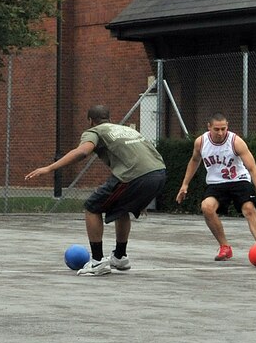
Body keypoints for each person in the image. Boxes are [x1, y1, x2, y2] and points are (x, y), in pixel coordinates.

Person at [24, 105, 168, 277]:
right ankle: (120, 257)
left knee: (92, 207)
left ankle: (98, 261)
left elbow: (83, 152)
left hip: (135, 175)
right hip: (159, 173)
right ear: (109, 118)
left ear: (90, 120)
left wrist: (50, 168)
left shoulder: (95, 131)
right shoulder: (126, 130)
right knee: (121, 208)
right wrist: (140, 192)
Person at [174, 114, 256, 261]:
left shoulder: (236, 142)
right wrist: (185, 184)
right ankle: (225, 247)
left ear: (227, 126)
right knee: (206, 207)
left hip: (238, 180)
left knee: (248, 208)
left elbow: (252, 168)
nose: (220, 133)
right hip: (216, 183)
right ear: (209, 127)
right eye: (216, 129)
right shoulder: (201, 142)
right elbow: (194, 161)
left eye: (223, 129)